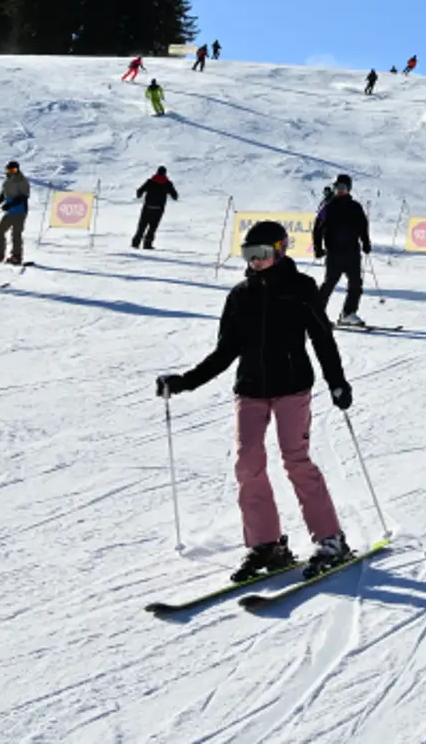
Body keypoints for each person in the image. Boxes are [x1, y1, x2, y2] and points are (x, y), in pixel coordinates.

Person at [155, 220, 357, 583]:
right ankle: (267, 544)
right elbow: (225, 351)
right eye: (249, 254)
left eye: (261, 254)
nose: (255, 261)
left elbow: (322, 339)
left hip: (292, 386)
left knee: (295, 460)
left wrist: (337, 382)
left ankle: (331, 539)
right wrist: (184, 382)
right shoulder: (240, 295)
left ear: (279, 250)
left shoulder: (301, 288)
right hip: (250, 389)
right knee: (247, 463)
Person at [313, 174, 373, 325]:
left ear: (348, 189)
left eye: (342, 188)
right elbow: (317, 229)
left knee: (356, 284)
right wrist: (318, 248)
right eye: (337, 187)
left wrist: (366, 242)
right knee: (329, 284)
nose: (339, 190)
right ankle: (316, 314)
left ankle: (348, 313)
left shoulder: (355, 207)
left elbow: (363, 227)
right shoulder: (328, 207)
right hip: (334, 253)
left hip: (352, 252)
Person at [0, 161, 30, 265]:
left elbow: (23, 196)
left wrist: (10, 204)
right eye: (9, 170)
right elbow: (4, 194)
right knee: (0, 231)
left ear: (18, 169)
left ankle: (16, 256)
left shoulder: (22, 180)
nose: (12, 172)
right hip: (10, 211)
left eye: (14, 170)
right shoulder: (7, 181)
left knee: (16, 233)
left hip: (20, 211)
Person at [131, 165, 178, 249]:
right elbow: (175, 196)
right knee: (152, 228)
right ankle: (147, 244)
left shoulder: (150, 182)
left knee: (141, 226)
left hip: (147, 207)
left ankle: (135, 244)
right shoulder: (168, 184)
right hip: (158, 209)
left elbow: (139, 191)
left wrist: (139, 195)